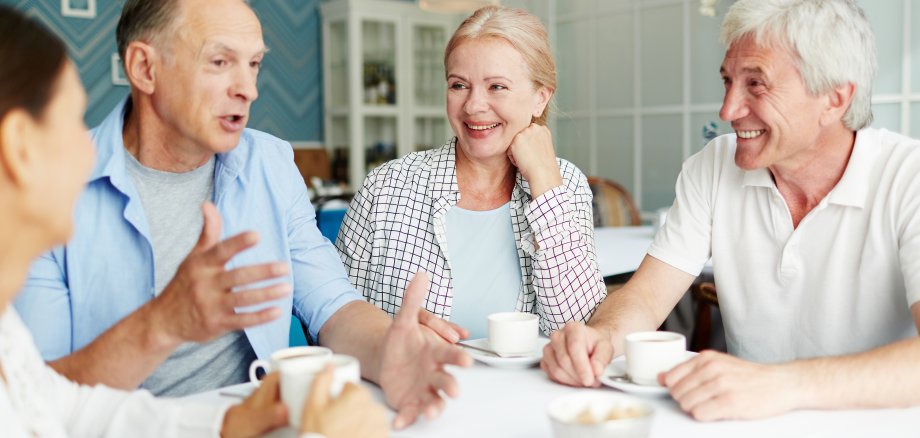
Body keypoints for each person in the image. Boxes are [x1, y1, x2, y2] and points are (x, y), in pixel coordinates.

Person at [13, 0, 468, 429]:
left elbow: (332, 304)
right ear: (144, 68)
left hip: (250, 424)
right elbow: (33, 399)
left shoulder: (270, 164)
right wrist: (164, 321)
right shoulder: (51, 181)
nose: (248, 89)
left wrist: (388, 348)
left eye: (254, 64)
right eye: (220, 62)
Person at [542, 0, 920, 420]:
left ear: (834, 99)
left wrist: (781, 384)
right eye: (728, 81)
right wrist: (601, 339)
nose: (728, 110)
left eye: (756, 84)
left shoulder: (909, 177)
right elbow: (647, 296)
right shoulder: (714, 165)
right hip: (745, 423)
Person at [335, 5, 606, 340]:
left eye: (497, 87)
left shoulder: (567, 184)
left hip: (525, 392)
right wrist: (388, 338)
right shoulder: (386, 187)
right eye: (459, 85)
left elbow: (577, 330)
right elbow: (334, 318)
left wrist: (545, 185)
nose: (474, 105)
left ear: (539, 99)